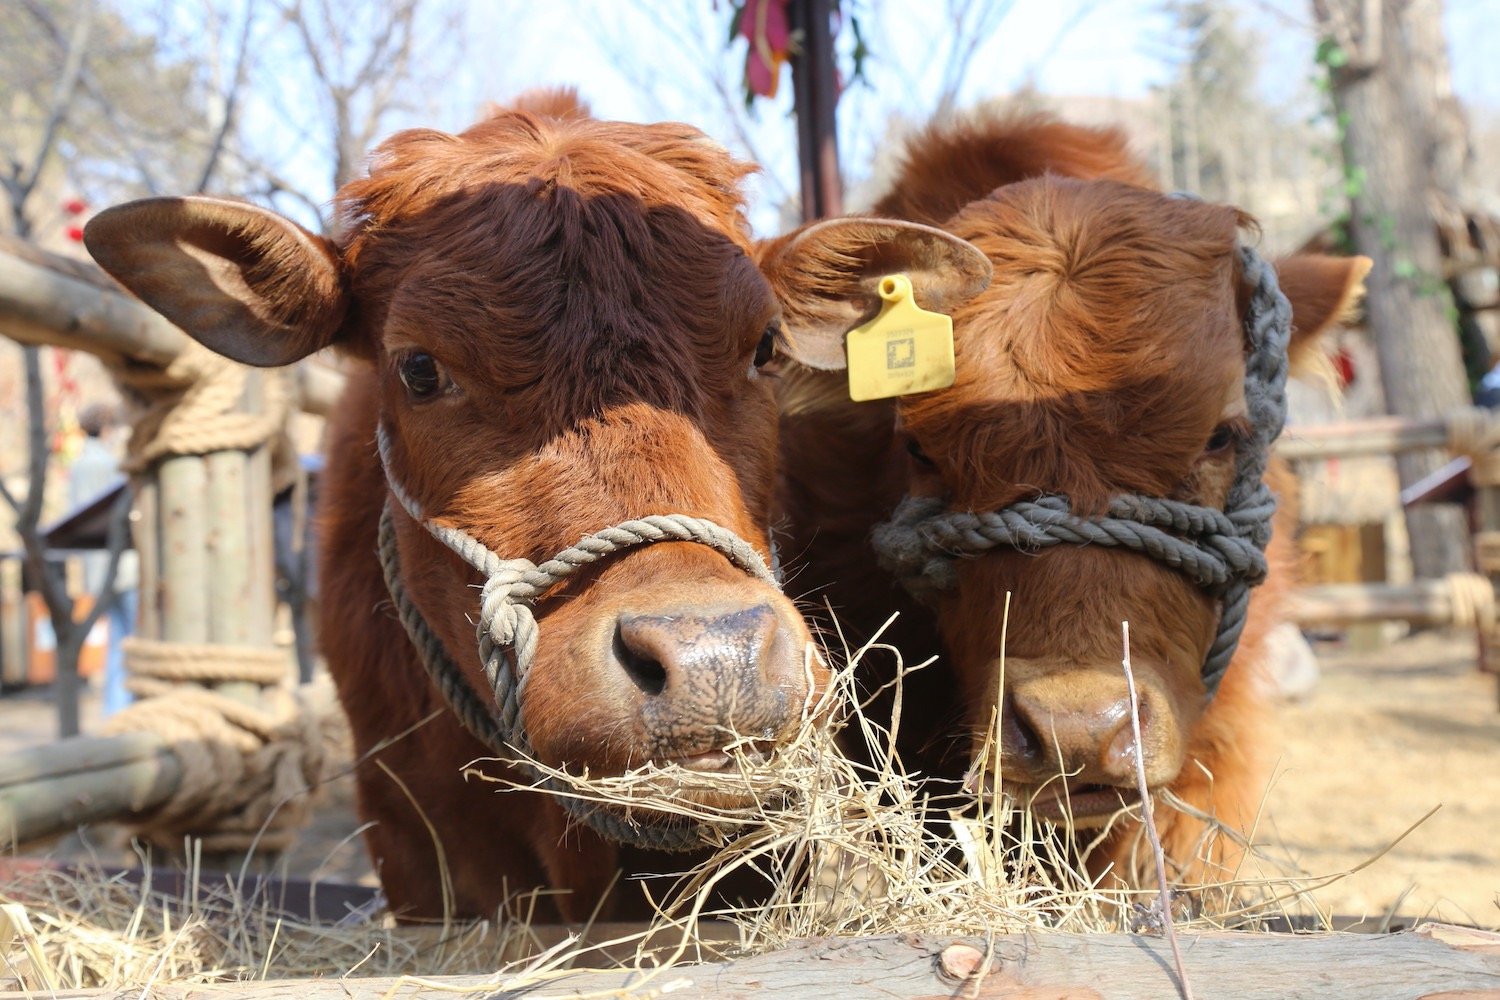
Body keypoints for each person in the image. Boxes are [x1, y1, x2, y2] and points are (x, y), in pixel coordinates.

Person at [67, 403, 136, 717]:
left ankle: (114, 710)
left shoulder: (78, 465)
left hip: (97, 571)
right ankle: (126, 709)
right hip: (124, 568)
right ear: (107, 429)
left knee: (116, 643)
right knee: (132, 643)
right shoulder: (111, 464)